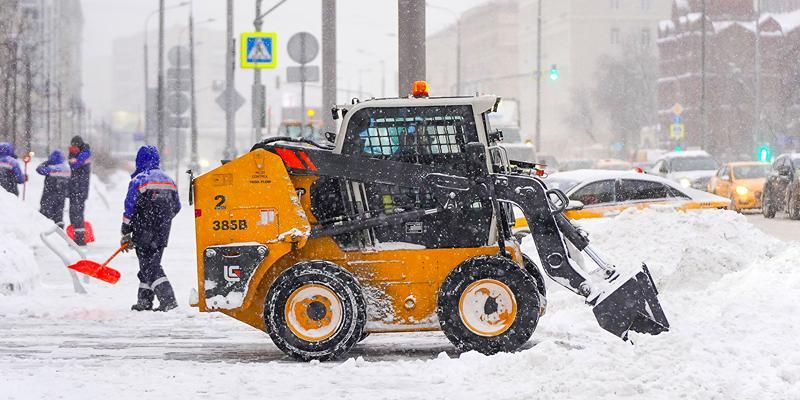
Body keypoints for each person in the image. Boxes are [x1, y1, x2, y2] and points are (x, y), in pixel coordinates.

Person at [121, 145, 181, 312]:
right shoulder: (169, 181)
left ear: (139, 160)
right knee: (149, 264)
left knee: (150, 267)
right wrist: (163, 221)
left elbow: (129, 207)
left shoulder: (139, 180)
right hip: (162, 232)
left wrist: (126, 230)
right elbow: (177, 206)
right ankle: (144, 302)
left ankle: (168, 300)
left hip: (143, 229)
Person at [36, 150, 71, 227]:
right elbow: (69, 184)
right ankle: (59, 232)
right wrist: (67, 193)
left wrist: (46, 163)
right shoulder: (67, 169)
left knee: (45, 215)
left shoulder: (51, 168)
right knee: (58, 215)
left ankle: (43, 230)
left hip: (48, 196)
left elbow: (39, 169)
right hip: (60, 198)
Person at [68, 136, 92, 245]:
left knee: (77, 213)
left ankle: (80, 238)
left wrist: (72, 154)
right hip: (75, 188)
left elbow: (74, 165)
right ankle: (76, 236)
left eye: (74, 146)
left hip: (80, 189)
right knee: (73, 213)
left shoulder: (85, 154)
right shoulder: (80, 154)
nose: (72, 148)